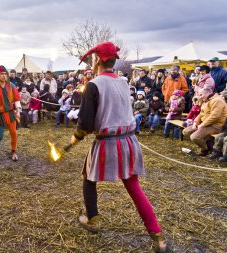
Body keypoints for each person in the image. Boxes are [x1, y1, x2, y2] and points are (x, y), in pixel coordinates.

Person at [68, 42, 166, 253]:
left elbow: (84, 123)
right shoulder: (123, 82)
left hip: (108, 142)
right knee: (134, 187)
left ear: (98, 60)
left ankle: (94, 220)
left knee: (88, 178)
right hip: (129, 141)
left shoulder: (94, 85)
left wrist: (76, 138)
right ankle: (158, 236)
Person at [0, 65, 22, 161]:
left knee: (13, 133)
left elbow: (16, 99)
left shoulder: (11, 85)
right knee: (0, 136)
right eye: (1, 74)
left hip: (10, 113)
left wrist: (18, 111)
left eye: (5, 74)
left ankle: (13, 151)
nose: (3, 76)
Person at [183, 87, 227, 156]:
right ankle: (208, 142)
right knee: (185, 131)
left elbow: (215, 116)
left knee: (194, 137)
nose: (200, 97)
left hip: (215, 126)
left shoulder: (217, 100)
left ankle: (205, 149)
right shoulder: (206, 100)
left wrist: (202, 125)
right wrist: (195, 122)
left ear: (208, 93)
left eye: (201, 95)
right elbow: (201, 114)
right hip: (205, 124)